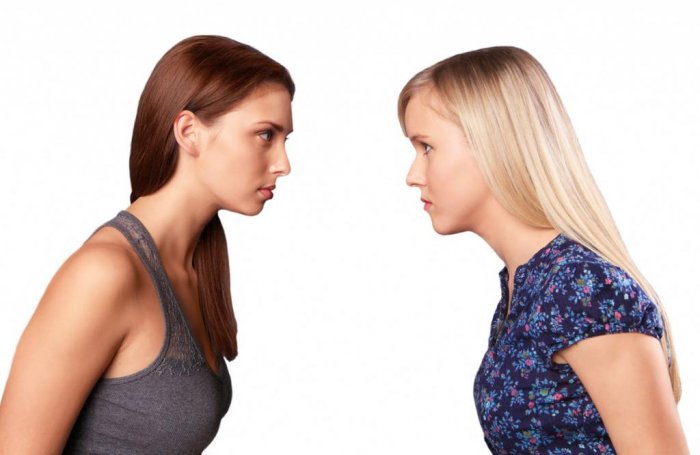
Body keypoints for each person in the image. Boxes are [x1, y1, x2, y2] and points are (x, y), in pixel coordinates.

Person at [0, 35, 294, 454]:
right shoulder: (104, 274)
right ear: (189, 132)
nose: (283, 164)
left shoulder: (198, 267)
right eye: (265, 135)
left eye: (285, 140)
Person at [397, 46, 688, 453]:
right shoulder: (524, 285)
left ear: (492, 144)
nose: (413, 175)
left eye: (426, 147)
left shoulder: (584, 289)